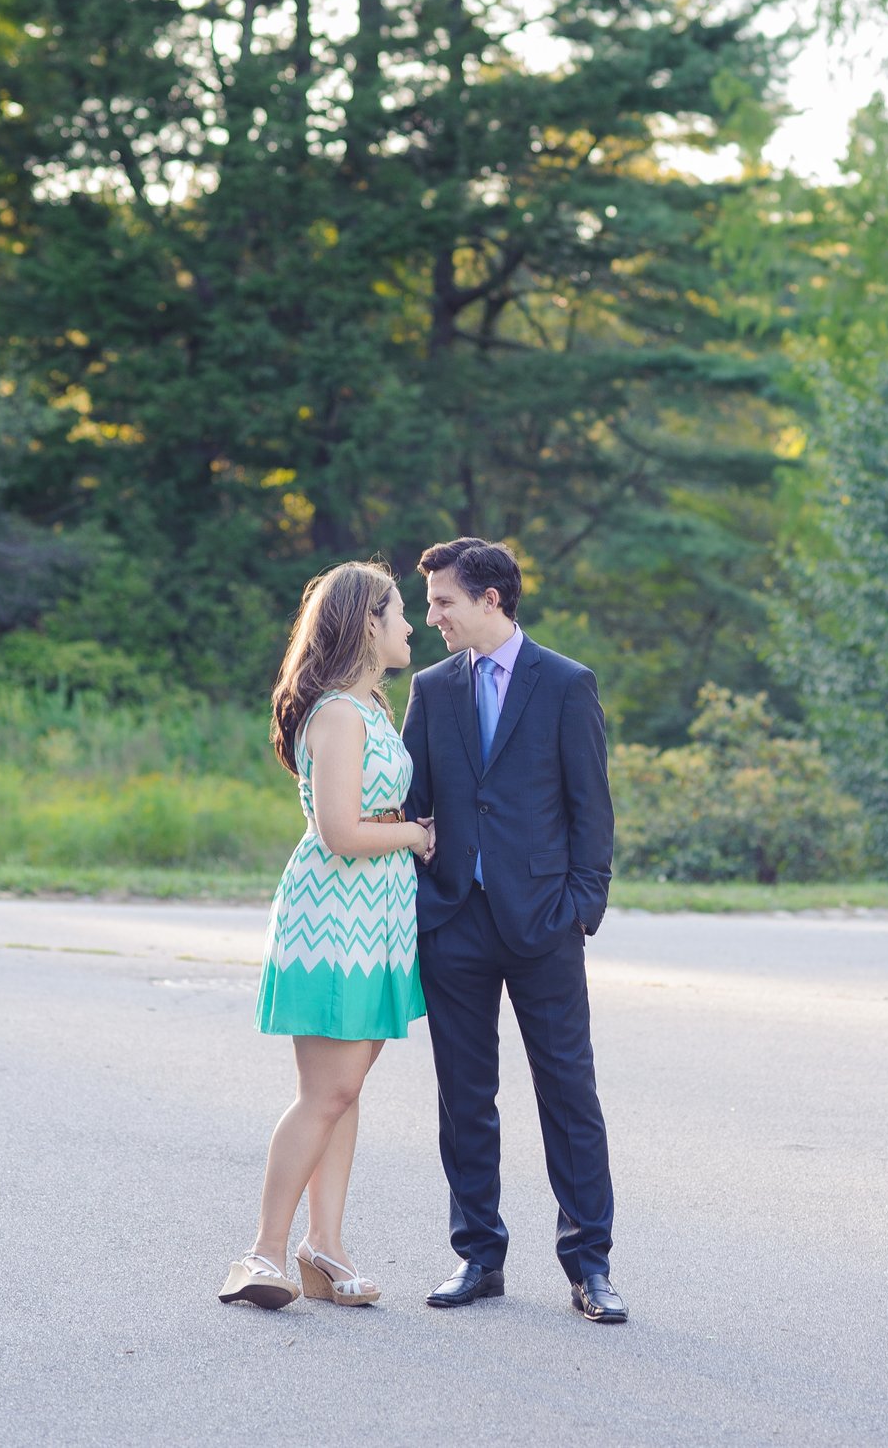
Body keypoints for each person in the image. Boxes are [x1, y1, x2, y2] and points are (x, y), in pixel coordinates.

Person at [402, 536, 626, 1323]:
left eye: (443, 602)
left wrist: (581, 909)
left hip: (545, 925)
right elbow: (413, 804)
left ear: (490, 598)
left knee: (569, 1092)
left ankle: (589, 1264)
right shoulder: (431, 690)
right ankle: (478, 1255)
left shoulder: (566, 684)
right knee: (465, 1097)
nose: (431, 618)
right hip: (456, 921)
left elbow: (590, 811)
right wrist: (429, 904)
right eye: (427, 605)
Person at [219, 561, 432, 1312]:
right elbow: (340, 831)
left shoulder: (370, 703)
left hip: (373, 922)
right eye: (400, 612)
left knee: (344, 1091)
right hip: (333, 921)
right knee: (327, 1091)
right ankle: (264, 1252)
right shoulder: (341, 712)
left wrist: (402, 834)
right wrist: (417, 833)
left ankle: (325, 1247)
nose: (411, 627)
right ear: (367, 622)